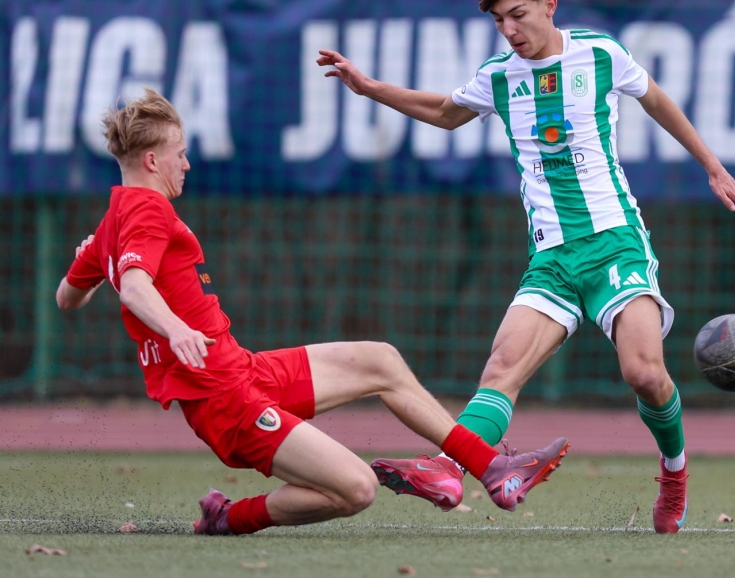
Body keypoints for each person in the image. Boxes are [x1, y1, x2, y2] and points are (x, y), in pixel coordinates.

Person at [317, 0, 735, 534]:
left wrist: (713, 167)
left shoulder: (600, 54)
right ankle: (450, 468)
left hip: (615, 244)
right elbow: (445, 112)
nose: (509, 30)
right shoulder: (499, 76)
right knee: (501, 368)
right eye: (499, 20)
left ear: (549, 4)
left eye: (518, 14)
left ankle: (674, 475)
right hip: (551, 259)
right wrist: (369, 87)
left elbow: (656, 100)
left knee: (644, 374)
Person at [55, 88, 571, 535]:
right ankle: (230, 518)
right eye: (181, 154)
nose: (186, 164)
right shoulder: (147, 208)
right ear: (152, 161)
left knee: (381, 360)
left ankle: (488, 468)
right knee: (356, 489)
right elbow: (136, 288)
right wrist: (174, 328)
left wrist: (98, 261)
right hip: (223, 399)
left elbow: (66, 297)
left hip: (242, 371)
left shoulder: (111, 224)